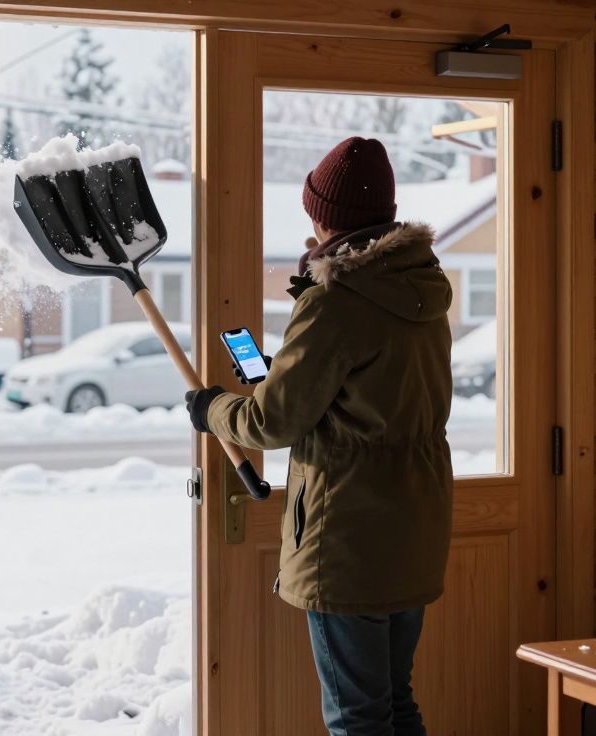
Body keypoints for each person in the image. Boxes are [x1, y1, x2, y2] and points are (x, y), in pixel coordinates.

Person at [185, 137, 454, 736]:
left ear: (322, 215)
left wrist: (212, 409)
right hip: (415, 527)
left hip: (347, 538)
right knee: (394, 704)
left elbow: (269, 422)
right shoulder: (422, 289)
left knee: (357, 719)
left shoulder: (335, 301)